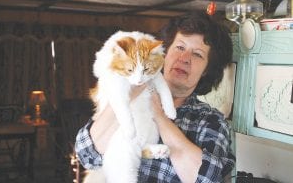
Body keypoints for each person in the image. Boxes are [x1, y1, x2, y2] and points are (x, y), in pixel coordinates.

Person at [75, 11, 236, 183]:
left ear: (206, 70)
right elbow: (87, 155)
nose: (184, 58)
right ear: (164, 53)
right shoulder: (131, 88)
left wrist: (159, 115)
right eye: (180, 47)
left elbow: (208, 178)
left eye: (197, 54)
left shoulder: (211, 121)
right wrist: (128, 97)